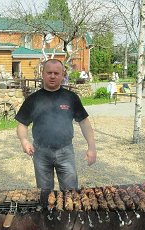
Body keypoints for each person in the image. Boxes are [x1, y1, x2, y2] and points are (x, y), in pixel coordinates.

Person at [15, 59, 97, 195]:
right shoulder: (33, 99)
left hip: (66, 151)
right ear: (43, 74)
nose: (52, 76)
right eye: (49, 73)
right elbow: (22, 124)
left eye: (56, 73)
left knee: (71, 194)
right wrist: (24, 140)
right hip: (41, 152)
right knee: (45, 194)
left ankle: (70, 216)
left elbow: (84, 122)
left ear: (62, 75)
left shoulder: (71, 97)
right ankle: (48, 216)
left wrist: (92, 147)